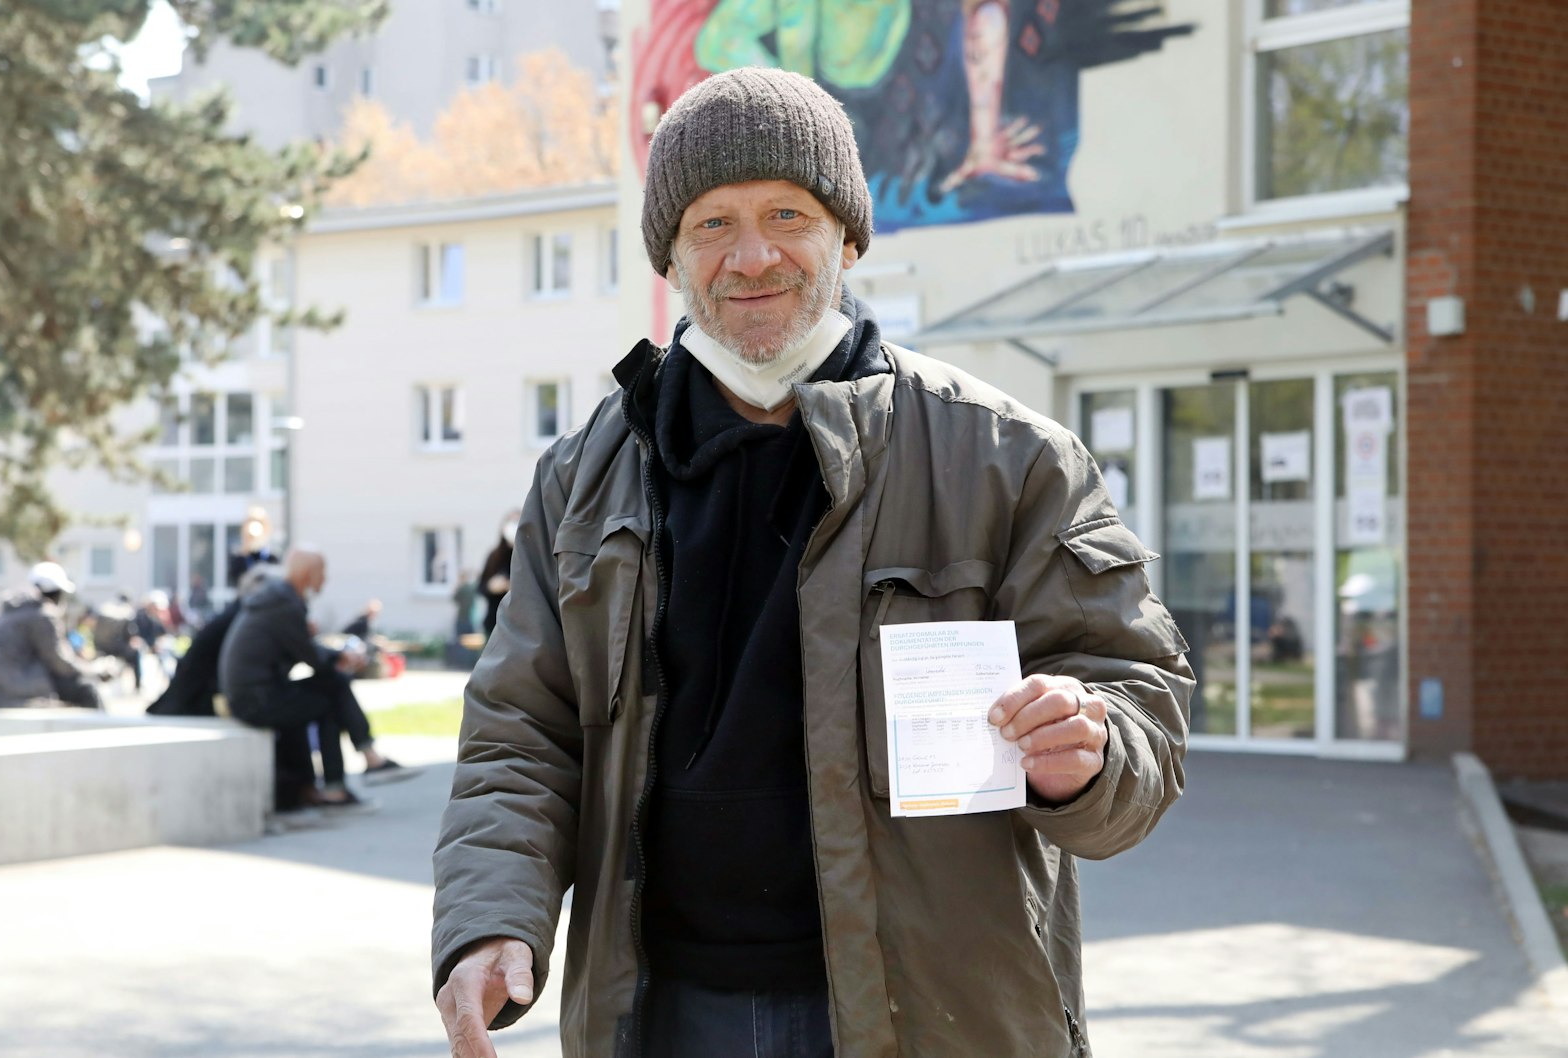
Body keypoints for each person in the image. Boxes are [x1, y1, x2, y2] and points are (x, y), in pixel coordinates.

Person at [431, 67, 1192, 1058]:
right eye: (712, 223)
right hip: (658, 1013)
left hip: (928, 1017)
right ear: (671, 255)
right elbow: (519, 733)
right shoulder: (583, 476)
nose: (751, 256)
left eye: (786, 214)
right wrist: (491, 916)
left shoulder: (1007, 459)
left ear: (847, 237)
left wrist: (1087, 755)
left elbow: (1137, 701)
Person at [218, 549, 374, 812]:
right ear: (307, 574)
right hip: (255, 701)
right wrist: (341, 656)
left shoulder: (277, 598)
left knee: (329, 687)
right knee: (331, 691)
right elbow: (312, 656)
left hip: (253, 695)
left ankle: (346, 776)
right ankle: (357, 766)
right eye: (322, 572)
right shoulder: (284, 603)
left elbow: (298, 649)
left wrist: (330, 653)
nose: (325, 579)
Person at [0, 561, 102, 718]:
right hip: (7, 693)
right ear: (57, 593)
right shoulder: (41, 615)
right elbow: (60, 663)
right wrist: (95, 670)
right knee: (86, 688)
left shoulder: (11, 611)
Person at [476, 513, 517, 640]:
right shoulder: (494, 556)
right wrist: (491, 587)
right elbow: (480, 588)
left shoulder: (529, 557)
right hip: (494, 624)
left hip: (519, 625)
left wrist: (511, 586)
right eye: (511, 522)